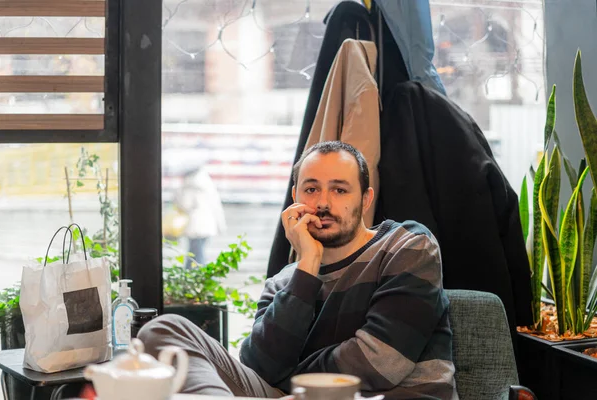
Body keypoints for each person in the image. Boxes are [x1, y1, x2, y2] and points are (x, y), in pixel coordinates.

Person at [139, 141, 458, 399]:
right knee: (163, 330)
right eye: (311, 189)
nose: (322, 203)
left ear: (365, 198)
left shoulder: (407, 245)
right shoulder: (284, 282)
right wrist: (307, 265)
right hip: (288, 396)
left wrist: (289, 375)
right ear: (294, 198)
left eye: (339, 190)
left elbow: (380, 363)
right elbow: (260, 366)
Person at [174, 166, 226, 266]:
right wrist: (221, 226)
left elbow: (185, 205)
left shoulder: (189, 187)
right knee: (198, 252)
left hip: (195, 226)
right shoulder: (208, 185)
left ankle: (196, 276)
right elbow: (217, 207)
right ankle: (195, 275)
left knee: (195, 255)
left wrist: (178, 195)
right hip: (208, 226)